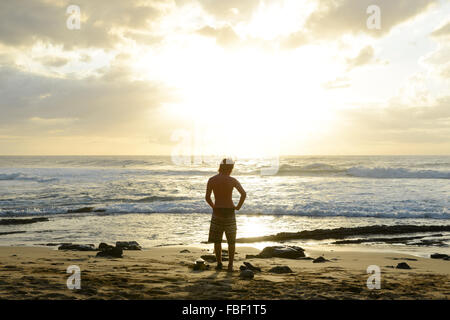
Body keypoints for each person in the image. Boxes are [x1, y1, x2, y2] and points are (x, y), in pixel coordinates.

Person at [205, 158, 246, 272]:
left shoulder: (212, 180)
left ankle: (219, 263)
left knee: (217, 240)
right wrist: (238, 207)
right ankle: (230, 265)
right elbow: (243, 194)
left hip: (217, 210)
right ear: (230, 168)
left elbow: (207, 197)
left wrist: (213, 206)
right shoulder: (232, 180)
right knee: (231, 241)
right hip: (229, 211)